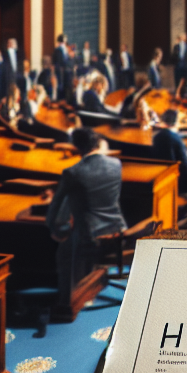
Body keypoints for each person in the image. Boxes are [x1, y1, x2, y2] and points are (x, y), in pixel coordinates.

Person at [46, 128, 126, 305]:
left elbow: (56, 204)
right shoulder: (116, 164)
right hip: (117, 229)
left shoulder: (72, 172)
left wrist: (53, 227)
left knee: (62, 251)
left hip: (89, 236)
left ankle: (72, 297)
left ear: (76, 148)